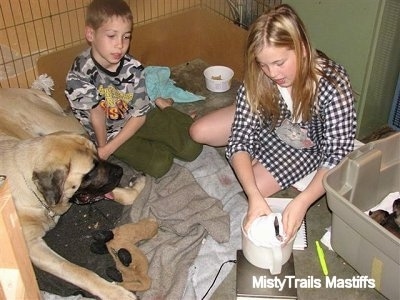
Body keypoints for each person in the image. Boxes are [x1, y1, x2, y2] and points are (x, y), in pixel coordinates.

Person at [190, 4, 357, 242]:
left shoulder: (332, 84)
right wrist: (254, 195)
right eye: (263, 64)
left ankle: (253, 125)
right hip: (271, 117)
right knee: (199, 131)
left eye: (279, 63)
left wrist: (303, 201)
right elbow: (239, 140)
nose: (272, 73)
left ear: (302, 49)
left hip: (303, 143)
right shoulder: (262, 75)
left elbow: (337, 154)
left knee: (254, 183)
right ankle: (248, 111)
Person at [65, 0, 202, 178]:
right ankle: (168, 126)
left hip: (139, 117)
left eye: (126, 36)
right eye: (112, 36)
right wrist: (104, 147)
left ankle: (166, 108)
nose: (120, 45)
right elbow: (96, 113)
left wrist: (109, 150)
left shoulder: (133, 68)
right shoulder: (79, 73)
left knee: (192, 149)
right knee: (160, 165)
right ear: (91, 34)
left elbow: (139, 116)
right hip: (111, 131)